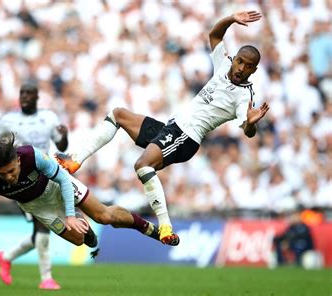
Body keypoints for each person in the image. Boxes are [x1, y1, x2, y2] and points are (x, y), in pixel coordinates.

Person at [55, 11, 270, 245]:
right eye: (240, 61)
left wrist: (250, 123)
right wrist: (230, 19)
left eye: (248, 67)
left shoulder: (243, 96)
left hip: (186, 137)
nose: (241, 68)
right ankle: (74, 160)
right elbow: (214, 34)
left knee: (142, 165)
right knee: (118, 115)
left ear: (253, 71)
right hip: (172, 128)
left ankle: (165, 227)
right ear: (235, 58)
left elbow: (247, 130)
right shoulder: (223, 64)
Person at [0, 132, 168, 284]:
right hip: (38, 206)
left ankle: (148, 228)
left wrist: (71, 215)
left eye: (12, 170)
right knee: (79, 240)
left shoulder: (31, 155)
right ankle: (83, 226)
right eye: (3, 173)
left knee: (103, 215)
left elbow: (63, 179)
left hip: (56, 186)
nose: (9, 177)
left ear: (17, 159)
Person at [0, 83, 68, 290]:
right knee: (43, 226)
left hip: (47, 177)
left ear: (37, 97)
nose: (24, 96)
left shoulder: (49, 117)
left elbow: (62, 146)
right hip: (21, 180)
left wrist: (65, 136)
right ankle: (46, 278)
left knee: (44, 228)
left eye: (28, 93)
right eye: (21, 93)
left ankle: (6, 257)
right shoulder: (8, 120)